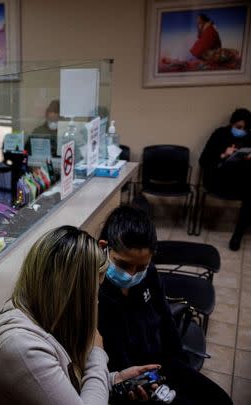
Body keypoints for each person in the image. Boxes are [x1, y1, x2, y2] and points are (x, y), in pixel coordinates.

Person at [0, 225, 159, 405]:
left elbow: (64, 388)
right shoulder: (22, 348)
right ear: (74, 294)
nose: (96, 301)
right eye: (95, 291)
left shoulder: (43, 317)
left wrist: (113, 380)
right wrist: (96, 354)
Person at [98, 205, 233, 405]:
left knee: (221, 401)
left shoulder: (149, 274)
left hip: (163, 363)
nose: (132, 274)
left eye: (141, 266)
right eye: (124, 265)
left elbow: (165, 318)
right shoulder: (93, 292)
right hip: (128, 382)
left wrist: (180, 364)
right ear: (103, 248)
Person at [199, 108, 251, 250]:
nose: (241, 131)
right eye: (238, 127)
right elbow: (203, 161)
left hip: (240, 182)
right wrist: (222, 155)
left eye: (245, 129)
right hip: (217, 180)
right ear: (232, 123)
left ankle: (237, 235)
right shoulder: (219, 135)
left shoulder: (249, 138)